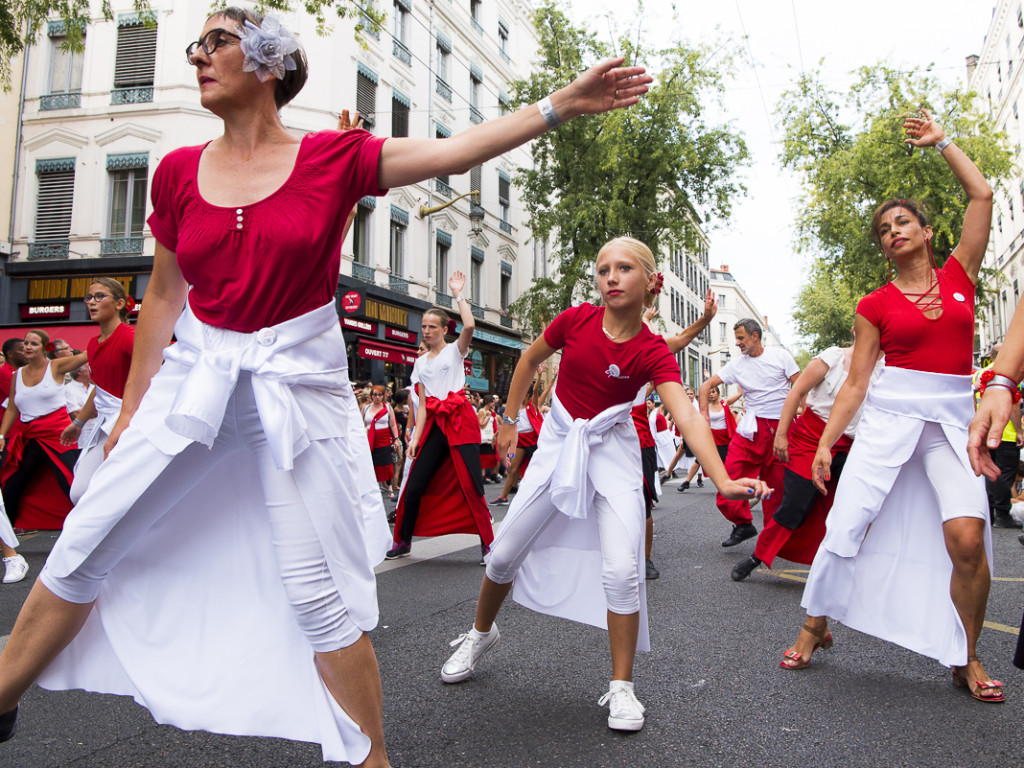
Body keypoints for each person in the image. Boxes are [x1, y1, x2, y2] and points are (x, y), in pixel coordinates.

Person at [0, 7, 653, 762]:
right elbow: (164, 296)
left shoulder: (333, 158)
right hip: (195, 390)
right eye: (197, 43)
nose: (198, 55)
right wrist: (133, 409)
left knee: (320, 598)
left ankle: (371, 758)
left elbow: (455, 149)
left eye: (217, 41)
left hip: (290, 403)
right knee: (83, 548)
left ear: (271, 62)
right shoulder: (177, 169)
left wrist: (560, 105)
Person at [439, 237, 770, 733]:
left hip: (611, 449)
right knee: (503, 554)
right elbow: (528, 361)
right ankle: (479, 633)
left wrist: (721, 478)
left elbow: (685, 412)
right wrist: (508, 419)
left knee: (621, 569)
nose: (609, 277)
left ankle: (622, 686)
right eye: (603, 269)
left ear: (650, 283)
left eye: (623, 269)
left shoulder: (653, 349)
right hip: (559, 440)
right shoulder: (575, 320)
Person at [782, 111, 1004, 705]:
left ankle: (966, 655)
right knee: (846, 524)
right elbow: (855, 383)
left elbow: (981, 193)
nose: (893, 231)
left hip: (955, 423)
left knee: (966, 539)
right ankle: (815, 624)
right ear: (882, 248)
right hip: (889, 420)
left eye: (903, 221)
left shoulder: (961, 274)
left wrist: (943, 143)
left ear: (928, 231)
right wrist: (828, 441)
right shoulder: (873, 303)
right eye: (884, 229)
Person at [731, 339, 882, 581]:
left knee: (850, 507)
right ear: (858, 330)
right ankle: (758, 556)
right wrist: (781, 435)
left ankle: (842, 565)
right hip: (809, 440)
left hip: (852, 445)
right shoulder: (833, 357)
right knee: (795, 505)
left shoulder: (886, 369)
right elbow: (797, 392)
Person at [388, 273, 494, 563]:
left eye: (432, 326)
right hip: (435, 423)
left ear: (445, 329)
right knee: (414, 484)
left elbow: (470, 325)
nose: (426, 331)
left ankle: (488, 544)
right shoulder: (420, 362)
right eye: (423, 326)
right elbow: (422, 405)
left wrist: (457, 294)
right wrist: (415, 439)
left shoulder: (455, 351)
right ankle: (404, 541)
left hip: (460, 420)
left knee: (472, 485)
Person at [699, 319, 800, 546]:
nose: (737, 343)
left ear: (755, 336)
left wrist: (802, 416)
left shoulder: (780, 356)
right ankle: (743, 524)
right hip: (750, 432)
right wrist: (704, 418)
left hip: (780, 430)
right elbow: (705, 387)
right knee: (726, 487)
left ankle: (773, 542)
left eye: (741, 338)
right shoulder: (736, 365)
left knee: (776, 492)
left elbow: (801, 387)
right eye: (736, 338)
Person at [0, 330, 86, 530]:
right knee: (12, 484)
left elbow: (87, 355)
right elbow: (13, 407)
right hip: (29, 435)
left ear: (45, 348)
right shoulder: (17, 375)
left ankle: (87, 528)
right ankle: (7, 533)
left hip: (59, 435)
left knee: (71, 484)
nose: (28, 347)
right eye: (25, 344)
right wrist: (1, 435)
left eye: (33, 344)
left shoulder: (56, 366)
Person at [972, 346, 1024, 529]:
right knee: (1003, 472)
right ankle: (1003, 512)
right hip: (1005, 432)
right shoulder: (1007, 373)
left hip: (983, 431)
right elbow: (1014, 405)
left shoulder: (980, 374)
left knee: (986, 471)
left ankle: (991, 512)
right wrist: (1019, 431)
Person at [363, 385, 400, 499]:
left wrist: (396, 438)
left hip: (384, 439)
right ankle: (374, 486)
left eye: (380, 395)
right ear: (371, 396)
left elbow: (393, 425)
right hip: (370, 439)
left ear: (383, 396)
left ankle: (389, 487)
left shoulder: (388, 408)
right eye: (375, 395)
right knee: (371, 463)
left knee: (386, 463)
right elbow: (361, 425)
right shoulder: (366, 408)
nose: (377, 397)